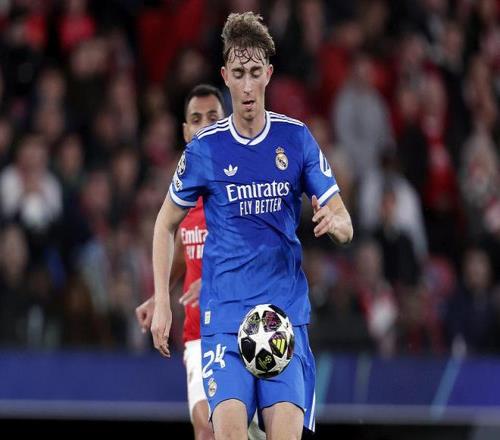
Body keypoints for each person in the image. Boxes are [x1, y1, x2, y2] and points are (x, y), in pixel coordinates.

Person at [151, 12, 353, 440]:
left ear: (269, 75)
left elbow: (343, 219)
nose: (246, 86)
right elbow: (164, 223)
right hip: (224, 317)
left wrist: (336, 222)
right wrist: (162, 302)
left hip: (282, 317)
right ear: (225, 76)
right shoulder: (205, 149)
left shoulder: (295, 138)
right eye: (239, 74)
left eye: (255, 73)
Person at [136, 84, 264, 440]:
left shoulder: (246, 185)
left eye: (213, 117)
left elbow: (265, 256)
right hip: (199, 333)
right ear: (185, 131)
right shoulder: (184, 191)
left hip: (244, 327)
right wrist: (161, 295)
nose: (205, 125)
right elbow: (183, 249)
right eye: (196, 119)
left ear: (228, 123)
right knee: (206, 428)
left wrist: (215, 282)